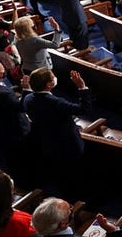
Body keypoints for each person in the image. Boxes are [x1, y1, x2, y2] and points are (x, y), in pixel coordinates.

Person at [23, 67, 92, 196]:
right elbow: (85, 110)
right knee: (74, 174)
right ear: (49, 84)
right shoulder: (56, 102)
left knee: (60, 173)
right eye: (52, 76)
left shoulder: (27, 99)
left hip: (48, 142)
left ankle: (65, 193)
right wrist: (82, 87)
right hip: (69, 145)